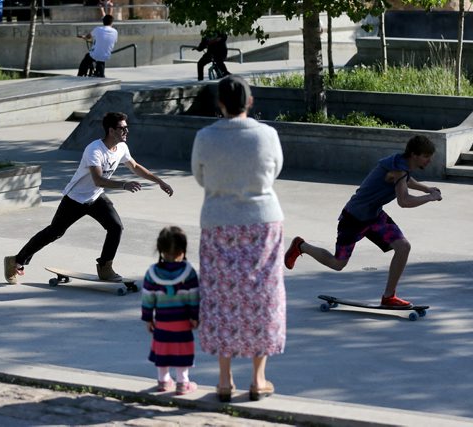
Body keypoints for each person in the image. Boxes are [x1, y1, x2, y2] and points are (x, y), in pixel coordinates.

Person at [191, 75, 286, 402]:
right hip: (262, 222)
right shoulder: (267, 135)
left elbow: (199, 175)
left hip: (218, 221)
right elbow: (275, 171)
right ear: (250, 101)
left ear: (220, 103)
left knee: (221, 296)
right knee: (264, 294)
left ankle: (224, 379)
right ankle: (259, 379)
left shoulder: (205, 136)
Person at [4, 112, 174, 285]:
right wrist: (123, 185)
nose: (126, 131)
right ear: (111, 130)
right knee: (54, 232)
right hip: (75, 199)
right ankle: (16, 260)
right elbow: (98, 179)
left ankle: (105, 268)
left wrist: (159, 181)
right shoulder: (94, 149)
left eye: (126, 127)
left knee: (115, 227)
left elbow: (135, 166)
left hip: (96, 197)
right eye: (122, 128)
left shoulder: (122, 147)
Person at [285, 135, 443, 307]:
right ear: (414, 155)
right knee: (338, 264)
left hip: (374, 216)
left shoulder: (401, 164)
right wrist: (429, 197)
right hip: (354, 218)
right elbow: (403, 201)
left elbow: (406, 178)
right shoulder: (397, 169)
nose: (429, 160)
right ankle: (301, 246)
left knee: (403, 246)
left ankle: (389, 297)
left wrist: (426, 188)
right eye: (426, 156)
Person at [141, 226, 199, 395]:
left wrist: (148, 319)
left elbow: (147, 298)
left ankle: (163, 381)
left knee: (163, 349)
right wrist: (195, 317)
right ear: (183, 249)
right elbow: (193, 298)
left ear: (160, 249)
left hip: (162, 322)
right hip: (182, 322)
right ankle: (182, 382)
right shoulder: (188, 273)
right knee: (182, 349)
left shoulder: (152, 273)